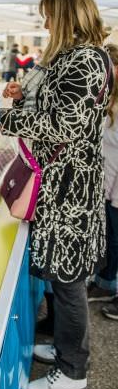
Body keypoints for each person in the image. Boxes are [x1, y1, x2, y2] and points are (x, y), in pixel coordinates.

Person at [0, 0, 112, 389]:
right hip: (62, 183)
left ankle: (73, 371)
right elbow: (50, 111)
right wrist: (20, 101)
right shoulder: (72, 57)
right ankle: (67, 349)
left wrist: (5, 120)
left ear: (65, 14)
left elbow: (66, 126)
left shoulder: (85, 59)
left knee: (68, 281)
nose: (44, 22)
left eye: (48, 14)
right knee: (63, 279)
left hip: (70, 188)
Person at [86, 44, 118, 318]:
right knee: (110, 237)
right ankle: (105, 283)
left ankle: (111, 287)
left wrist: (109, 191)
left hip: (114, 188)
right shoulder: (109, 100)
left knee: (116, 238)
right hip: (108, 186)